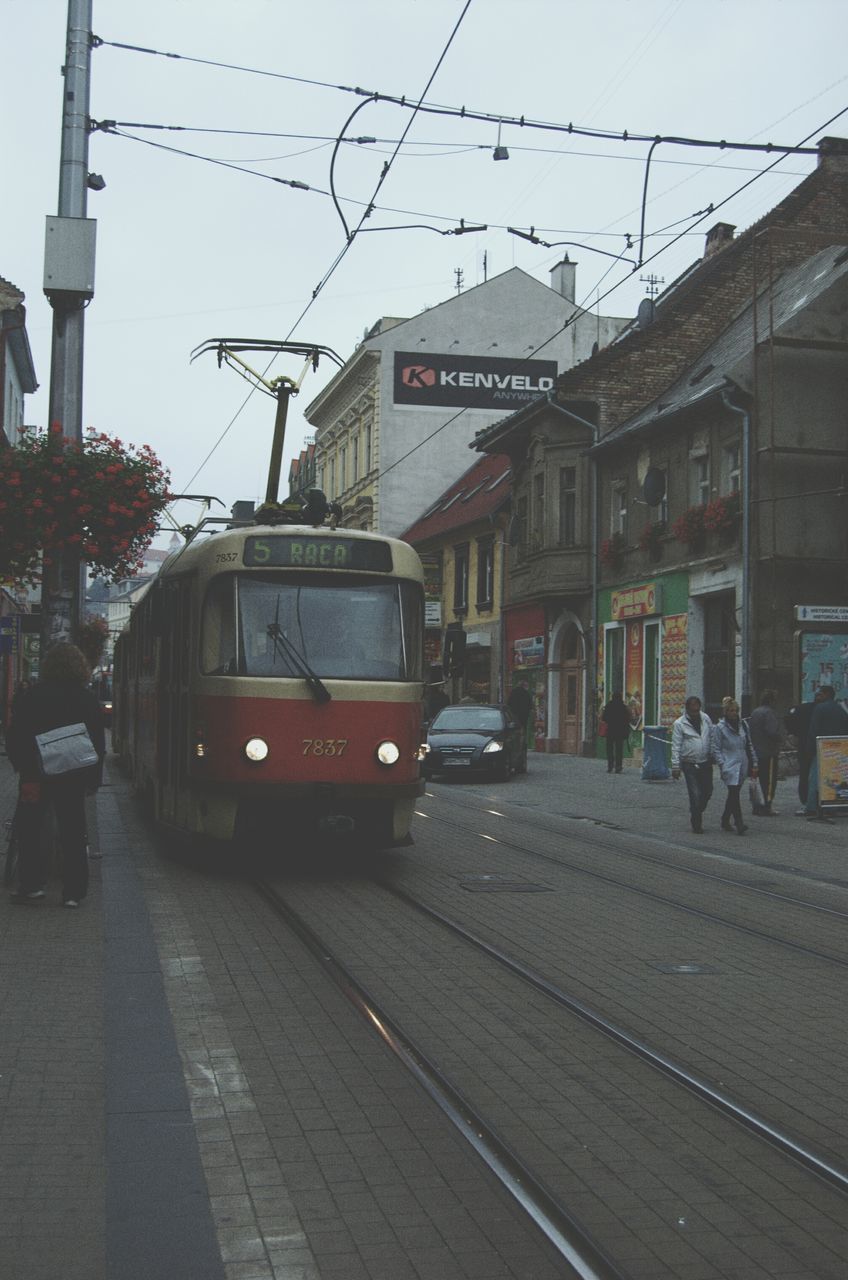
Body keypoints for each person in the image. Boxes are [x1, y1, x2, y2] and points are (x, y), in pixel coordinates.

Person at [6, 643, 105, 908]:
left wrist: (22, 767)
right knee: (73, 830)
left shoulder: (34, 695)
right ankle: (73, 892)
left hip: (35, 774)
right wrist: (93, 778)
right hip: (72, 774)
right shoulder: (86, 698)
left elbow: (16, 733)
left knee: (30, 828)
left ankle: (32, 885)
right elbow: (97, 740)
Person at [712, 697, 758, 835]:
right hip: (729, 763)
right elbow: (716, 748)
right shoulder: (720, 727)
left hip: (742, 762)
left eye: (735, 710)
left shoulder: (743, 725)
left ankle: (725, 819)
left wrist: (754, 762)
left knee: (734, 792)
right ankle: (739, 822)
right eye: (731, 710)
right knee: (734, 793)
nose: (733, 713)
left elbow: (749, 744)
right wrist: (722, 763)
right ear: (725, 712)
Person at [671, 696, 714, 833]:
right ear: (687, 710)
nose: (695, 713)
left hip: (705, 761)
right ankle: (696, 822)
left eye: (697, 710)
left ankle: (696, 809)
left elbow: (711, 736)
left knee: (707, 791)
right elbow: (676, 745)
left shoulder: (706, 718)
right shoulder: (680, 723)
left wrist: (712, 752)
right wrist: (675, 766)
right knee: (695, 793)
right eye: (692, 711)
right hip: (689, 763)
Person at [804, 686, 848, 822]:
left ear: (827, 694)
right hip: (839, 749)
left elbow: (814, 729)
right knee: (835, 776)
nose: (817, 697)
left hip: (822, 748)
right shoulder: (841, 709)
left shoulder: (820, 708)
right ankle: (833, 805)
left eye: (819, 694)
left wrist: (809, 749)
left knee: (815, 777)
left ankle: (811, 807)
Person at [785, 690, 826, 814]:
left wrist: (795, 733)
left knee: (804, 772)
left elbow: (789, 720)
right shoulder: (823, 710)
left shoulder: (802, 708)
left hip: (804, 745)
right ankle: (819, 799)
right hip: (822, 746)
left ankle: (805, 799)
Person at [747, 689, 783, 815]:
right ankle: (767, 806)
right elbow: (772, 731)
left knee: (757, 780)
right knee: (769, 781)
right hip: (769, 751)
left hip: (756, 751)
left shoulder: (755, 712)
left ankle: (757, 806)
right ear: (772, 700)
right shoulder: (769, 713)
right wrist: (780, 738)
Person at [601, 689, 630, 774]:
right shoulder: (623, 707)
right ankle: (618, 766)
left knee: (609, 749)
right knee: (619, 749)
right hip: (620, 731)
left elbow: (604, 718)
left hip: (610, 730)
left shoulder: (609, 706)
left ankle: (610, 766)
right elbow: (627, 719)